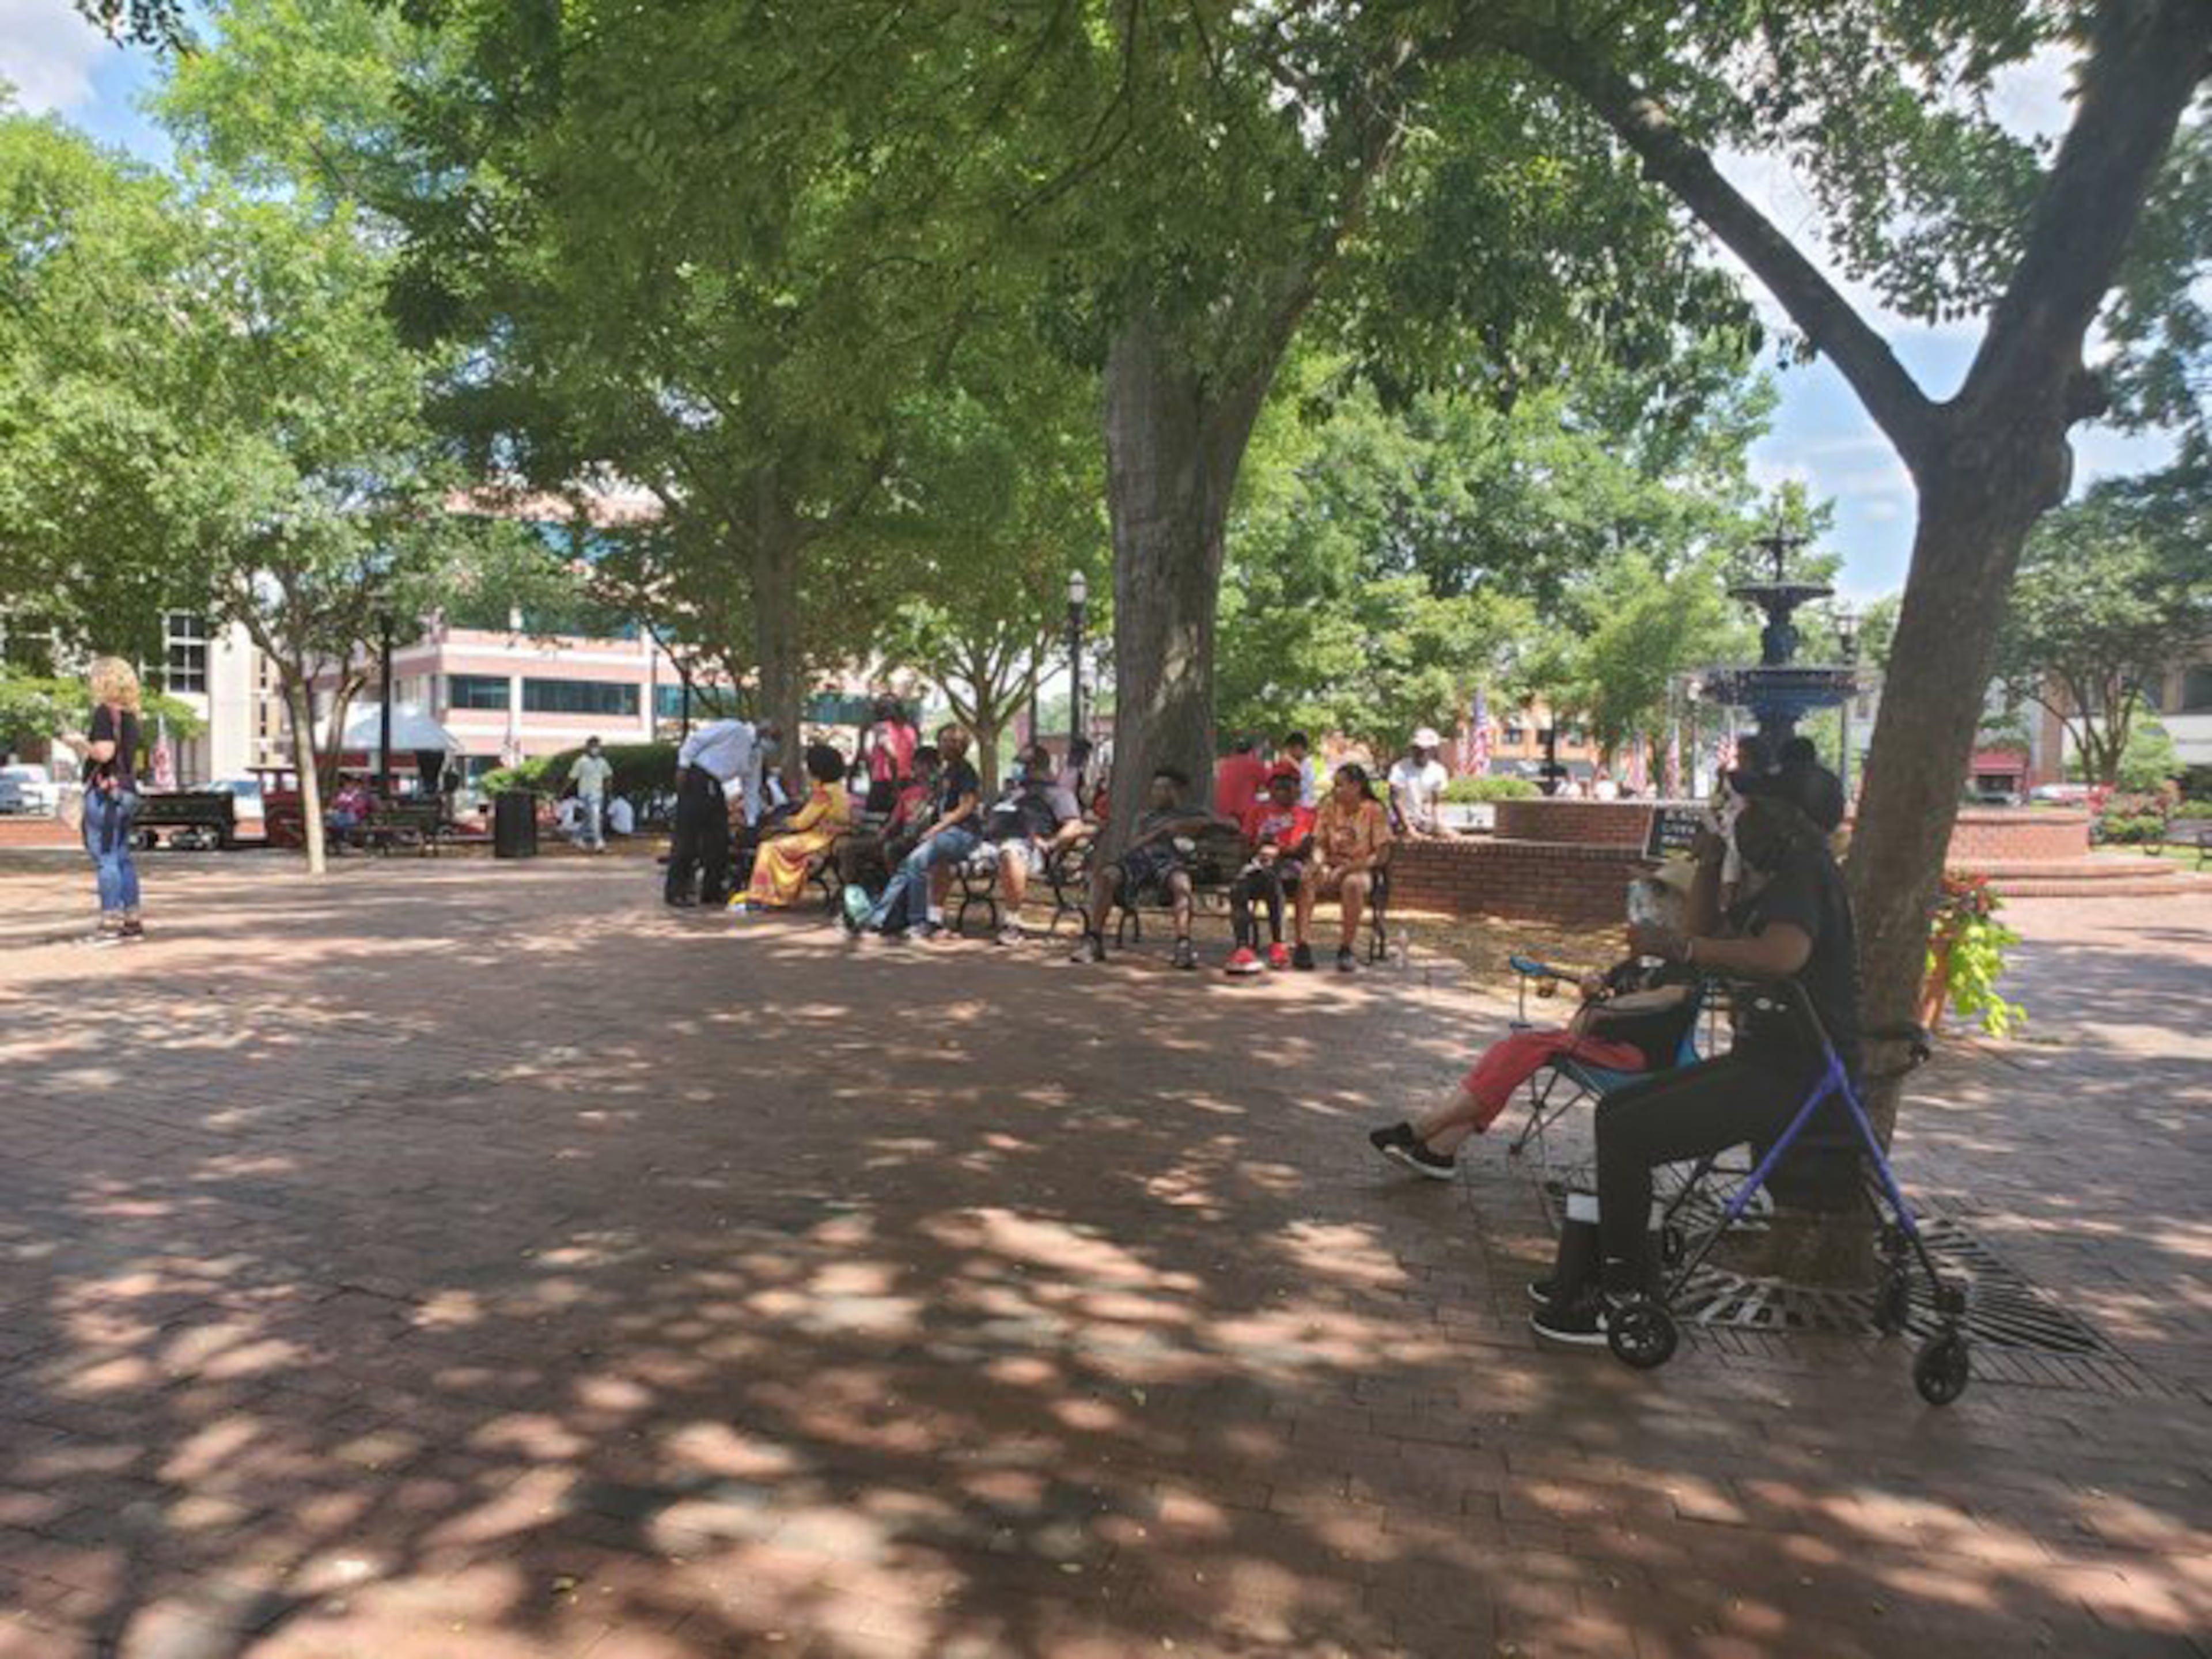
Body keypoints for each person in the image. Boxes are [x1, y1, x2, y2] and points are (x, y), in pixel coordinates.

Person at [1529, 769, 1862, 1346]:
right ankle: (1612, 1268)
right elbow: (1706, 929)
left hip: (1795, 1072)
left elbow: (1781, 955)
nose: (1737, 819)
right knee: (1618, 1115)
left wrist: (1677, 947)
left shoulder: (1807, 876)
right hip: (1762, 1058)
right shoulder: (1777, 877)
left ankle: (1627, 1294)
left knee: (1632, 1136)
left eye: (1745, 809)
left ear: (1782, 817)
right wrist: (1709, 861)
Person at [1366, 870, 1700, 1176]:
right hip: (1600, 1043)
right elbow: (1597, 999)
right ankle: (1439, 1150)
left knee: (1525, 1047)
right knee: (1513, 1051)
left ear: (1667, 922)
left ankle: (1423, 1127)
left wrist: (1607, 1008)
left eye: (1641, 917)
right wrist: (1593, 988)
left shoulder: (1681, 967)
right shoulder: (1633, 964)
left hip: (1637, 1058)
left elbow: (1670, 997)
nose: (1630, 926)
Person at [1067, 766, 1221, 970]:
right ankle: (1094, 940)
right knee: (1106, 876)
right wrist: (1162, 831)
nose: (1158, 794)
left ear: (1177, 792)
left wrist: (1190, 824)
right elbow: (1134, 846)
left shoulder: (1193, 812)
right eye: (1156, 789)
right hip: (1140, 860)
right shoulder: (1144, 817)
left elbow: (1228, 824)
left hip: (1170, 861)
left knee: (1182, 884)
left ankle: (1183, 944)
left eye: (1165, 789)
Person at [859, 725, 981, 937]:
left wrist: (937, 828)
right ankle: (882, 919)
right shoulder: (945, 772)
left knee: (916, 861)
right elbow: (932, 804)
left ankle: (918, 921)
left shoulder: (966, 772)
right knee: (904, 860)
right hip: (942, 834)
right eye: (943, 740)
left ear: (962, 746)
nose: (944, 745)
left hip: (963, 834)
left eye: (951, 741)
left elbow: (967, 806)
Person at [61, 657, 145, 945]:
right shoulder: (132, 717)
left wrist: (77, 742)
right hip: (127, 791)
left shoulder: (103, 714)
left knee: (106, 859)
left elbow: (104, 753)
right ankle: (131, 919)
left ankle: (110, 921)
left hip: (105, 794)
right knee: (122, 858)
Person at [1294, 763, 1391, 974]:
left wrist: (1349, 868)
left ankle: (1346, 949)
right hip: (1330, 863)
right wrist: (1318, 862)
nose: (1334, 790)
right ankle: (1302, 945)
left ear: (1356, 786)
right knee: (1307, 877)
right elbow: (1319, 843)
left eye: (1340, 785)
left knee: (1353, 884)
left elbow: (1382, 854)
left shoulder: (1374, 810)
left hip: (1360, 867)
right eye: (1334, 785)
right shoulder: (1329, 806)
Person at [979, 745, 1081, 944]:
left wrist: (1053, 843)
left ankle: (1013, 925)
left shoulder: (1058, 794)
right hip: (989, 844)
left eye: (1020, 763)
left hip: (1029, 850)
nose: (1016, 768)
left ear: (1034, 767)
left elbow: (1075, 826)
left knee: (1010, 852)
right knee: (943, 849)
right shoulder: (1012, 793)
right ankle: (932, 919)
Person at [1225, 763, 1315, 975]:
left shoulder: (1306, 814)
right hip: (1259, 869)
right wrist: (1258, 846)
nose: (1283, 791)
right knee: (1239, 887)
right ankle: (1243, 947)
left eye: (1288, 786)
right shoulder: (1257, 811)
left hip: (1291, 872)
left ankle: (1279, 944)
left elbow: (1305, 850)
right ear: (1270, 788)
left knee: (1272, 878)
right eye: (1278, 786)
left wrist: (1280, 851)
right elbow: (1243, 850)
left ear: (1297, 788)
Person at [744, 743, 853, 908]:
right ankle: (775, 893)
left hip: (819, 840)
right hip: (829, 837)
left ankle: (765, 896)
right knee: (776, 842)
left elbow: (802, 823)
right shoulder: (837, 788)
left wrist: (783, 821)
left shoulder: (824, 792)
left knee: (769, 847)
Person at [666, 715, 756, 908]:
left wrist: (751, 821)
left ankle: (712, 891)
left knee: (719, 840)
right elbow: (696, 740)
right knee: (687, 839)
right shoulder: (734, 728)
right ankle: (676, 892)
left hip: (716, 786)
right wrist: (683, 766)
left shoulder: (755, 754)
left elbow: (751, 788)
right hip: (698, 777)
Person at [838, 744, 940, 895]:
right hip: (901, 838)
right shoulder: (909, 793)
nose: (916, 768)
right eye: (917, 764)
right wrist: (883, 832)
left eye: (921, 765)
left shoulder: (938, 792)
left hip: (923, 841)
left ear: (932, 766)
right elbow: (894, 819)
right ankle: (853, 895)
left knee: (891, 849)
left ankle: (898, 895)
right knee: (849, 849)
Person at [858, 695, 918, 817]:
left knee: (875, 822)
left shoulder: (881, 728)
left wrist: (895, 786)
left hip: (885, 783)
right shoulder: (910, 730)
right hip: (906, 780)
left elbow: (892, 755)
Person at [1387, 729, 1450, 837]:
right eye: (1418, 749)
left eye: (1425, 750)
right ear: (1412, 749)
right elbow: (1396, 800)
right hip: (1400, 821)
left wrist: (1438, 824)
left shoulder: (1439, 771)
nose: (1421, 753)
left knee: (1451, 836)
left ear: (1432, 751)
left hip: (1424, 820)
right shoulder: (1399, 768)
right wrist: (1409, 828)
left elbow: (1437, 802)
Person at [568, 736, 614, 851]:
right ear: (587, 747)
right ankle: (599, 841)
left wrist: (608, 789)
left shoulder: (603, 761)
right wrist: (563, 790)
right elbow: (572, 777)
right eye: (593, 746)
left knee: (590, 818)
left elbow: (608, 775)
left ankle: (577, 837)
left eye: (597, 746)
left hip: (598, 793)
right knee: (595, 816)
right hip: (586, 794)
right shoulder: (581, 761)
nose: (595, 749)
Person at [1213, 735, 1270, 819]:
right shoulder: (1256, 765)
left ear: (1234, 751)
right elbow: (1268, 785)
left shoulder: (1223, 764)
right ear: (1251, 751)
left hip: (1220, 811)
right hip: (1244, 813)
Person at [1278, 732, 1320, 806]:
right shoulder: (1291, 763)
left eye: (1291, 749)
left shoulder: (1308, 763)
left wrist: (1291, 760)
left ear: (1299, 747)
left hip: (1305, 804)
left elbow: (1303, 778)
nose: (1289, 752)